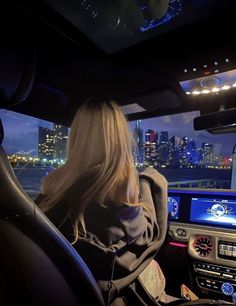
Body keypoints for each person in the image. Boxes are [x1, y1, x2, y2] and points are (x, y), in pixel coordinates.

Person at [36, 100, 175, 305]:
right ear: (120, 143)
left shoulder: (45, 205)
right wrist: (147, 181)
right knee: (155, 271)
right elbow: (154, 232)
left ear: (76, 141)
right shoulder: (131, 222)